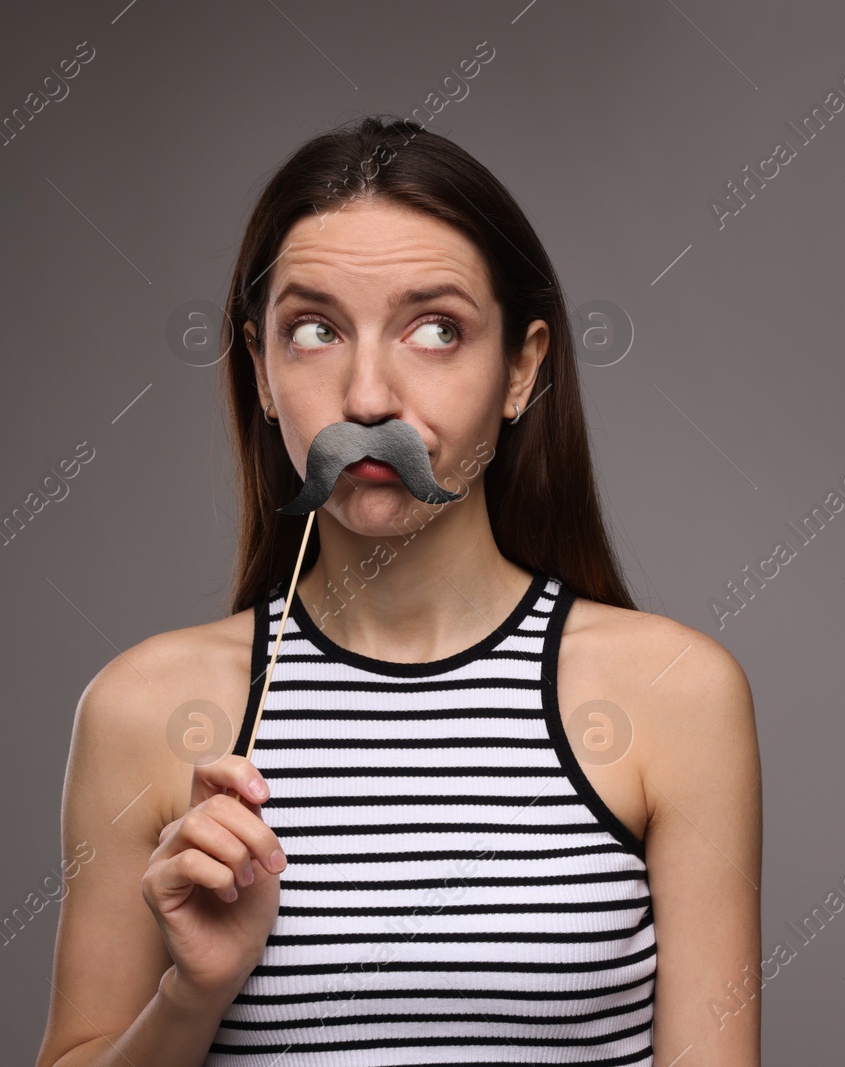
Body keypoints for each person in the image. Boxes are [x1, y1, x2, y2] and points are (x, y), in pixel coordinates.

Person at [34, 116, 762, 1067]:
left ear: (522, 367)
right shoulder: (143, 709)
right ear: (259, 369)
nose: (368, 398)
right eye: (313, 330)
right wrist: (191, 992)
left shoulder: (676, 694)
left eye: (435, 329)